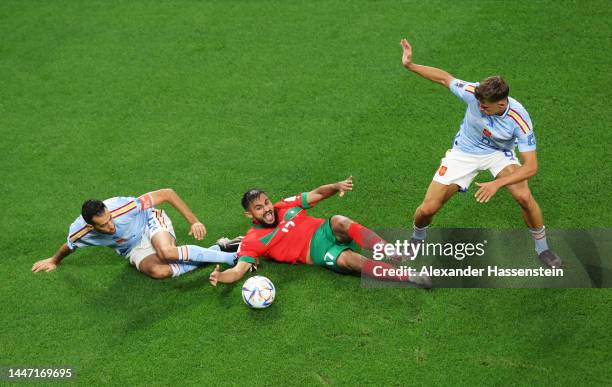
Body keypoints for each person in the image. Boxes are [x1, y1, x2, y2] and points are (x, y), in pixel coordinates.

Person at [400, 38, 561, 267]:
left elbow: (531, 167)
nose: (480, 108)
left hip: (498, 154)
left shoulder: (519, 120)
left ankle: (543, 248)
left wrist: (497, 184)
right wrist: (411, 65)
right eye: (479, 103)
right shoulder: (474, 94)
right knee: (428, 209)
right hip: (463, 152)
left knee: (524, 196)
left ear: (502, 103)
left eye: (486, 106)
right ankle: (417, 239)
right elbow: (445, 78)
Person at [208, 177, 431, 288]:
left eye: (266, 202)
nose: (267, 209)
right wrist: (221, 277)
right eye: (259, 208)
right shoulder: (253, 241)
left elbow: (316, 194)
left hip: (325, 229)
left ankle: (393, 254)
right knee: (349, 260)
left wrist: (336, 186)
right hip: (318, 252)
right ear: (250, 215)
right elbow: (238, 272)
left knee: (340, 220)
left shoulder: (284, 205)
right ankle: (409, 276)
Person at [32, 188, 237, 279]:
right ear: (91, 226)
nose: (110, 226)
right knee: (161, 272)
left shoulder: (122, 207)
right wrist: (55, 260)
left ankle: (232, 257)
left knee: (167, 253)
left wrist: (194, 221)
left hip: (150, 222)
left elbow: (167, 193)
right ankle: (218, 248)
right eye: (103, 226)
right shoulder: (80, 232)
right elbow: (69, 246)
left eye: (109, 219)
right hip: (132, 248)